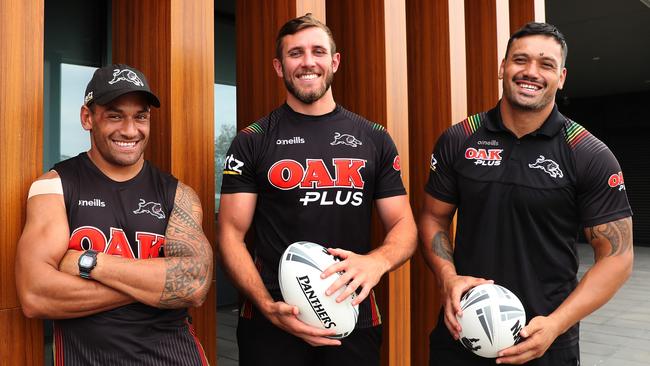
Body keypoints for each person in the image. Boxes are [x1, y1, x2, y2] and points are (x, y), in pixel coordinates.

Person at [420, 22, 633, 366]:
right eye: (520, 60)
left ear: (561, 76)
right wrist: (448, 278)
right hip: (462, 331)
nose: (531, 72)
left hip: (545, 340)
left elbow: (618, 258)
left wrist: (556, 325)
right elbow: (434, 216)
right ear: (502, 67)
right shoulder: (459, 139)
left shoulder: (588, 153)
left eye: (546, 64)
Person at [216, 14, 417, 366]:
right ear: (279, 67)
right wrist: (266, 305)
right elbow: (231, 234)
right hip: (273, 318)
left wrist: (377, 262)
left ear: (334, 61)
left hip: (353, 315)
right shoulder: (252, 141)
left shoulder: (374, 138)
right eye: (296, 54)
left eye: (318, 51)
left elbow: (404, 225)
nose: (308, 62)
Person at [15, 64, 213, 365]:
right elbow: (35, 296)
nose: (130, 130)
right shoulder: (54, 188)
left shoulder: (178, 194)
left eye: (140, 116)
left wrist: (90, 263)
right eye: (115, 115)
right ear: (87, 118)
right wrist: (155, 283)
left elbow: (195, 285)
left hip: (176, 357)